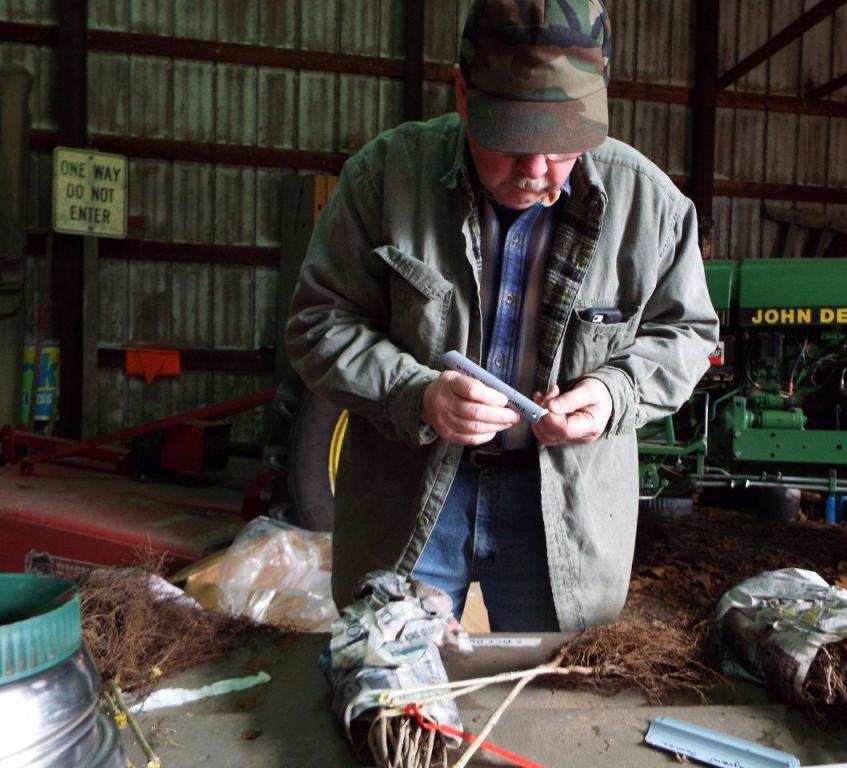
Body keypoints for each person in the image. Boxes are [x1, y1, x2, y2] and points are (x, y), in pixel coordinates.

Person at [286, 0, 718, 632]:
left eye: (562, 144)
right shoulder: (385, 179)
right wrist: (417, 394)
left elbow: (688, 334)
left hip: (563, 508)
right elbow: (319, 321)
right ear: (463, 94)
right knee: (395, 669)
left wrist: (612, 392)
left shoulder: (651, 207)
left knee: (550, 685)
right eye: (512, 138)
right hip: (409, 495)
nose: (536, 170)